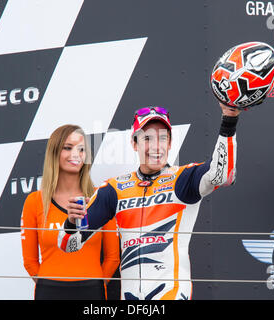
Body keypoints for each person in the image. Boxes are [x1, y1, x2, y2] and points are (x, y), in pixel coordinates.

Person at [58, 103, 241, 300]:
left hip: (172, 294)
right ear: (134, 143)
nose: (156, 146)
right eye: (147, 138)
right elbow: (69, 245)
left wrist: (229, 120)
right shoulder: (115, 189)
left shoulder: (184, 178)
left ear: (170, 144)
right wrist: (71, 223)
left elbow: (223, 175)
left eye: (163, 138)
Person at [21, 124, 120, 300]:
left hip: (92, 290)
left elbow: (113, 258)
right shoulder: (34, 201)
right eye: (68, 148)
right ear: (54, 152)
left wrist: (95, 284)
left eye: (81, 149)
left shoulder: (101, 197)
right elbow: (30, 261)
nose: (76, 154)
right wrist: (51, 284)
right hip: (49, 290)